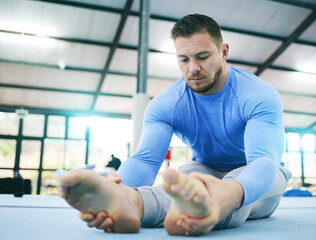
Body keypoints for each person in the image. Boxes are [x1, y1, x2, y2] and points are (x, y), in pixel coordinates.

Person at [59, 14, 292, 236]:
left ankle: (206, 203)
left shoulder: (258, 95)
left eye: (202, 56)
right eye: (184, 59)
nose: (192, 68)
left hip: (261, 175)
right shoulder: (165, 104)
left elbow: (262, 161)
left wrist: (230, 193)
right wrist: (120, 188)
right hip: (203, 168)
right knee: (186, 183)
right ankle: (132, 203)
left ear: (224, 52)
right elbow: (145, 161)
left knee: (227, 190)